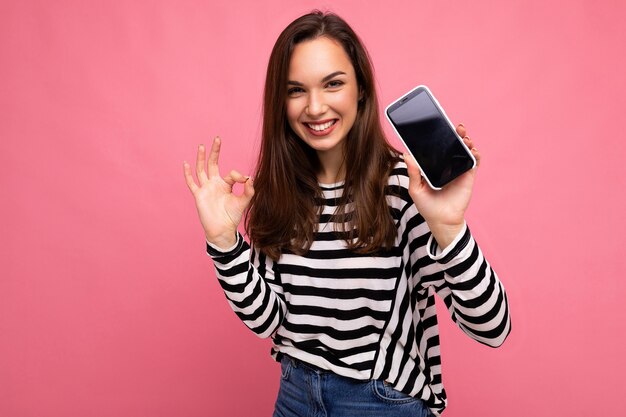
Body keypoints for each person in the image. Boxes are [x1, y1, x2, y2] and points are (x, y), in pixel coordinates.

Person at [183, 11, 511, 417]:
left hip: (380, 403)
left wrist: (449, 228)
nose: (315, 107)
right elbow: (269, 321)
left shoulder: (404, 188)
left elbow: (492, 327)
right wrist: (224, 242)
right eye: (296, 90)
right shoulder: (277, 189)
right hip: (294, 396)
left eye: (333, 83)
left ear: (360, 88)